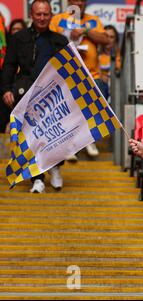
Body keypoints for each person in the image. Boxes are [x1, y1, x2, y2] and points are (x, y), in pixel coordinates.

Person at [1, 0, 68, 193]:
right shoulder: (18, 38)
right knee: (30, 137)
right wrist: (6, 89)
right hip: (26, 94)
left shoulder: (60, 41)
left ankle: (55, 167)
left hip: (55, 97)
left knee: (57, 134)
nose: (42, 18)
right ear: (31, 14)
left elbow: (70, 70)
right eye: (38, 14)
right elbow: (9, 66)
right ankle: (36, 178)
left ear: (51, 15)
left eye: (45, 14)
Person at [50, 0, 109, 159]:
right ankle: (70, 145)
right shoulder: (57, 19)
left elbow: (106, 40)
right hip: (65, 75)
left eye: (81, 0)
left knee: (97, 93)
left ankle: (87, 139)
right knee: (66, 103)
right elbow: (50, 43)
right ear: (68, 2)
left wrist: (84, 31)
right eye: (74, 0)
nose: (78, 3)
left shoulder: (93, 20)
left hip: (91, 76)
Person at [98, 25, 121, 101]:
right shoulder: (96, 56)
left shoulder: (122, 56)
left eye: (111, 37)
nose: (108, 40)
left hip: (118, 92)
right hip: (101, 94)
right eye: (106, 36)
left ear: (116, 39)